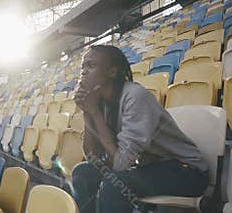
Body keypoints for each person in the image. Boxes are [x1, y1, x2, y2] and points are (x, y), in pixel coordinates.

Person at [70, 45, 209, 213]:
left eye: (91, 66)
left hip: (187, 172)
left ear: (112, 72)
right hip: (151, 168)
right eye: (83, 67)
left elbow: (120, 165)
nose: (83, 72)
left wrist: (94, 112)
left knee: (113, 184)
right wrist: (87, 111)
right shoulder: (99, 101)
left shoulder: (135, 97)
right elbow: (93, 157)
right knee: (83, 172)